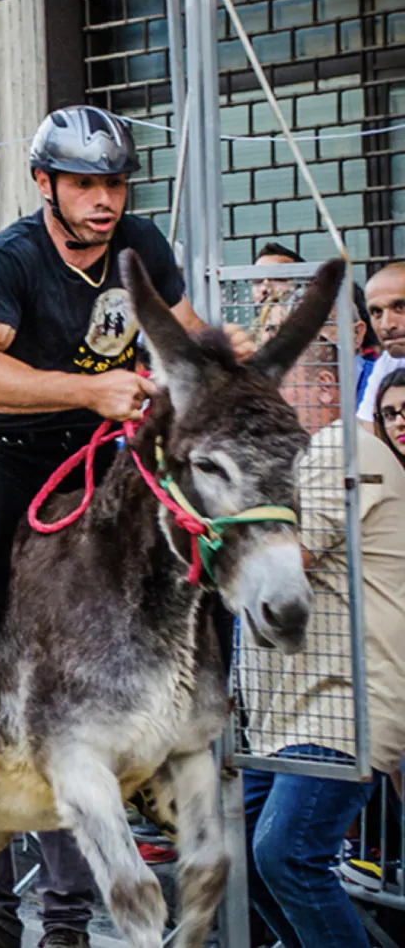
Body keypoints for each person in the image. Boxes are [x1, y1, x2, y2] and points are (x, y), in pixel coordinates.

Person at [0, 105, 250, 887]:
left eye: (116, 185)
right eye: (86, 184)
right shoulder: (7, 260)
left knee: (202, 559)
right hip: (3, 450)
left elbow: (180, 331)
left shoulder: (142, 246)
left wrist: (230, 351)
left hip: (104, 452)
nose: (105, 200)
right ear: (45, 184)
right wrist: (88, 391)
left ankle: (180, 747)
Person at [237, 339, 405, 948]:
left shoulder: (340, 446)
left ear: (325, 389)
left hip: (346, 702)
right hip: (288, 706)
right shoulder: (306, 452)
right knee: (246, 854)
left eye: (275, 389)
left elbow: (285, 558)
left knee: (286, 854)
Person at [355, 263, 405, 437]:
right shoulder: (388, 361)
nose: (386, 325)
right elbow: (368, 433)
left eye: (400, 307)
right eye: (376, 312)